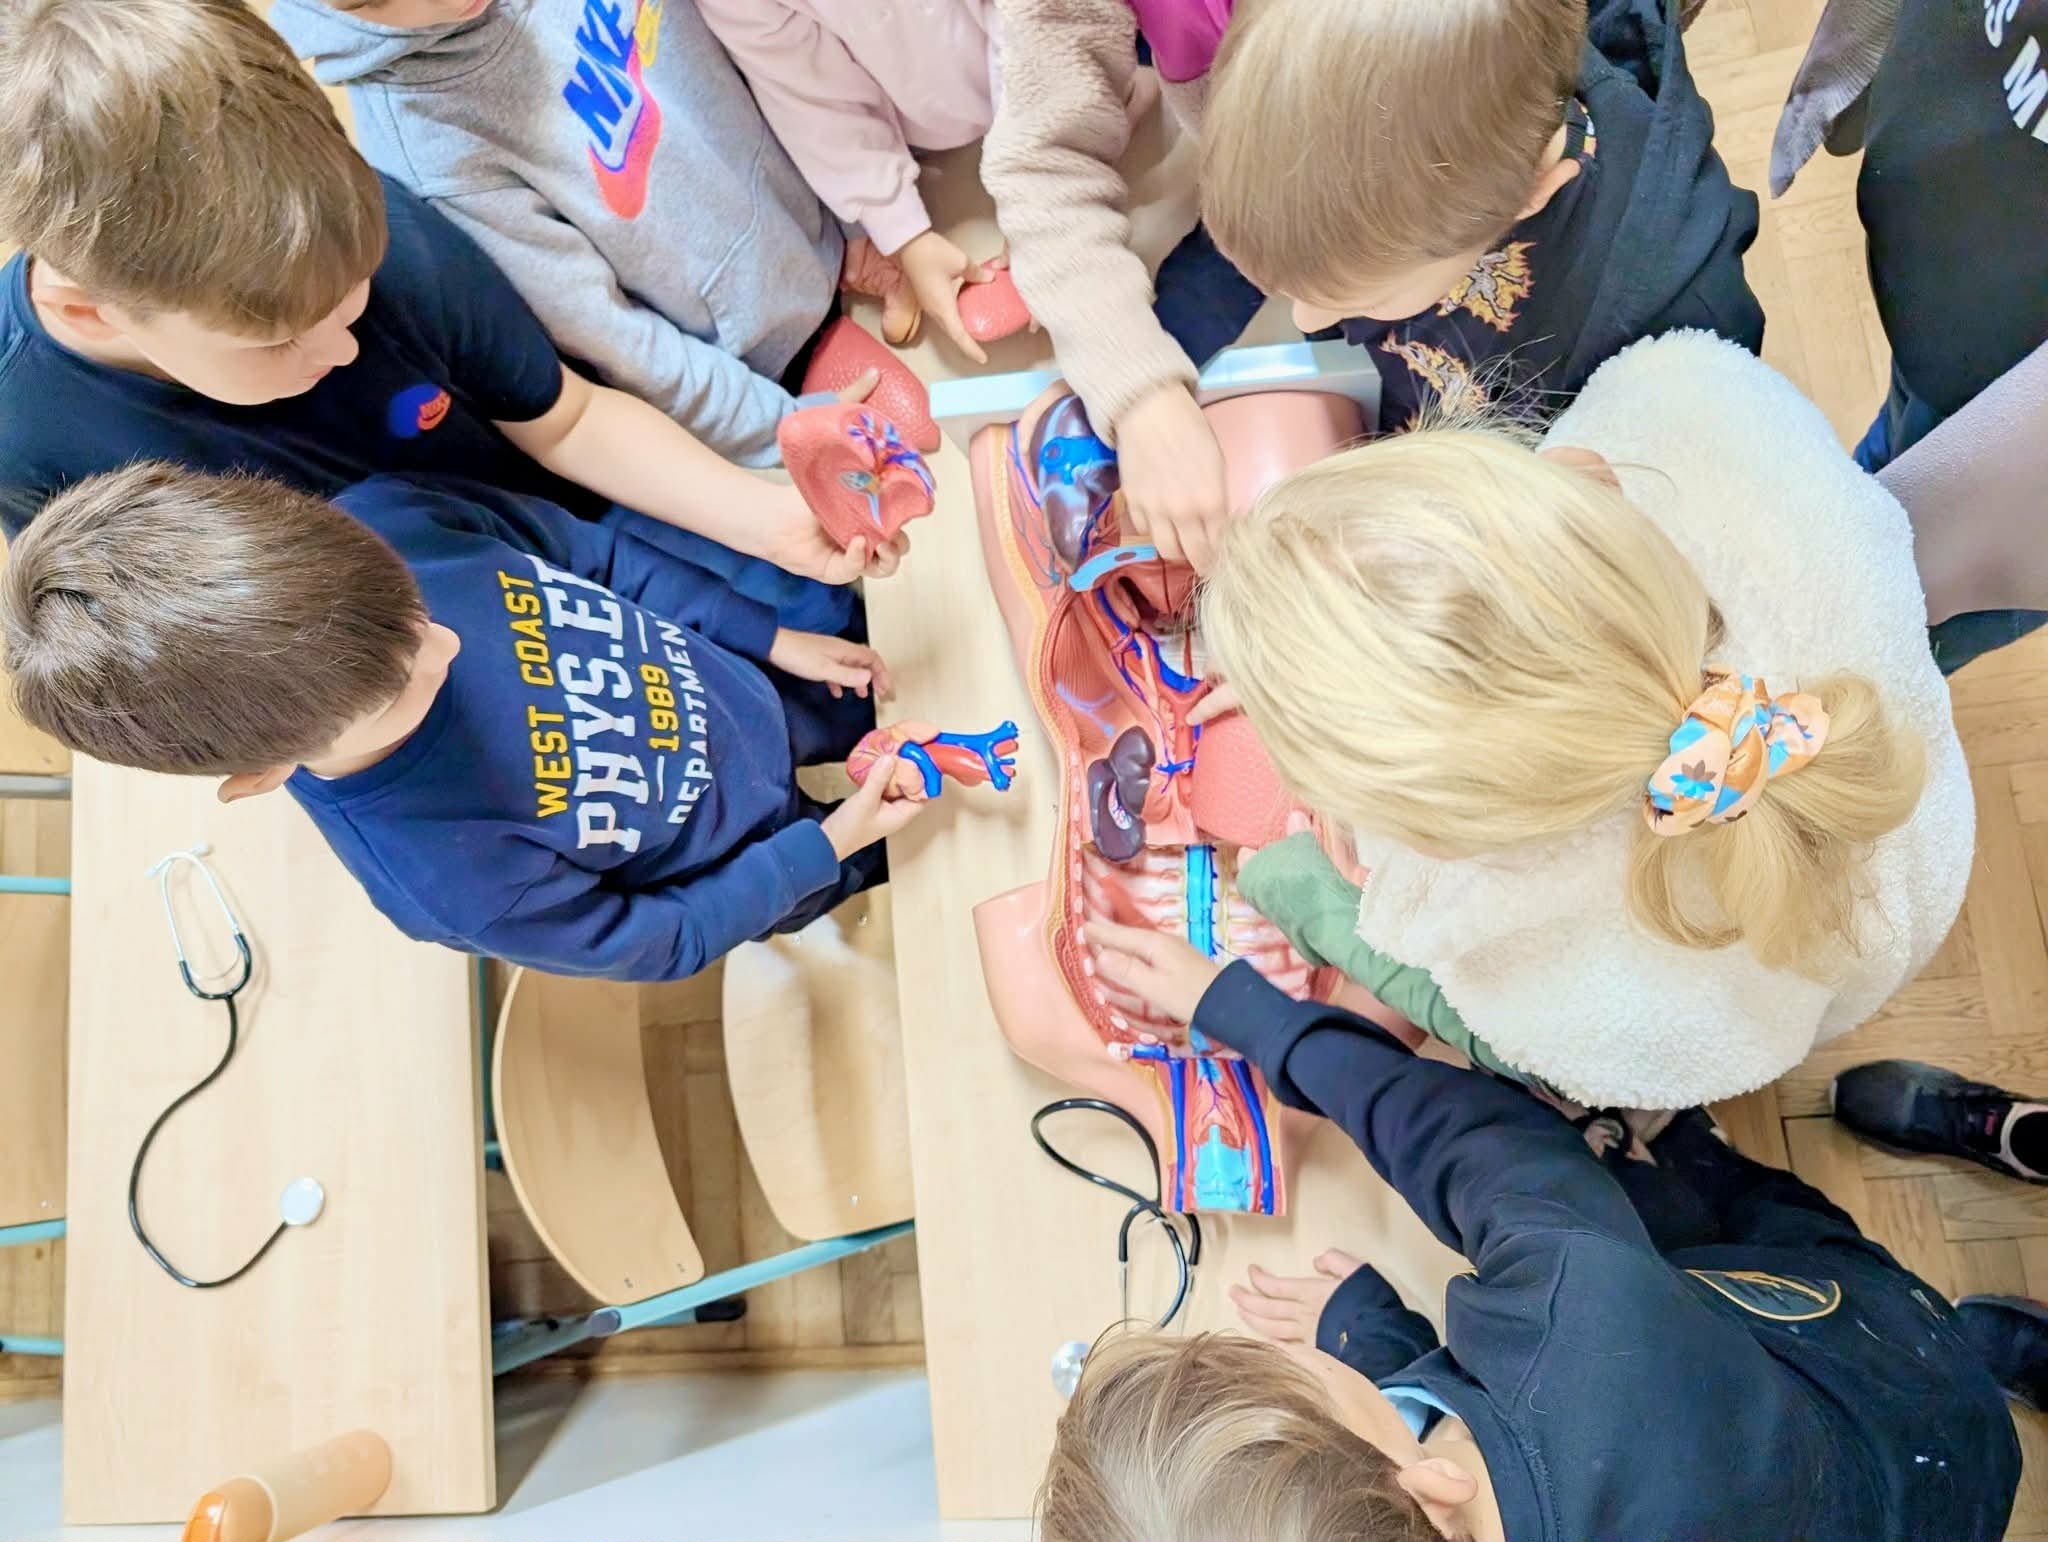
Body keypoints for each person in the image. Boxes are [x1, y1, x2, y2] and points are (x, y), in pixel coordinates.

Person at [1035, 920, 2022, 1542]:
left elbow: (1457, 1465)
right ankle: (1695, 1157)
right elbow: (1468, 1140)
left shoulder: (1464, 1461)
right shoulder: (1573, 1306)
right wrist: (1255, 1019)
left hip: (1916, 1498)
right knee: (1744, 1216)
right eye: (1304, 1376)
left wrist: (1379, 1346)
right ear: (1428, 1486)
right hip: (1892, 1383)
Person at [1198, 332, 1970, 1110]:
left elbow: (1498, 1034)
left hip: (1819, 970)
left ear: (1441, 841)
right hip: (1910, 827)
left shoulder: (1579, 992)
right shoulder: (1697, 404)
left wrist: (1328, 898)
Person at [0, 0, 895, 635]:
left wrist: (762, 515)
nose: (343, 348)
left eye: (352, 297)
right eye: (279, 339)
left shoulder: (384, 226)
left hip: (579, 511)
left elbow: (567, 417)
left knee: (829, 614)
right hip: (436, 628)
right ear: (92, 311)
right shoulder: (35, 446)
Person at [0, 463, 924, 982]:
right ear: (267, 775)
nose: (444, 644)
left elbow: (587, 552)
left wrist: (768, 636)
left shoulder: (387, 520)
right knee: (937, 865)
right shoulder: (444, 881)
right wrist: (831, 846)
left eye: (411, 609)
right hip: (769, 859)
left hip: (761, 684)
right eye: (392, 694)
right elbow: (664, 937)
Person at [981, 0, 1761, 571]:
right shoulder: (1418, 207)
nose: (1306, 319)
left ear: (1527, 196)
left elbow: (1624, 554)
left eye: (1352, 300)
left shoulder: (1674, 335)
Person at [267, 0, 882, 465]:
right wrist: (781, 427)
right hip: (773, 369)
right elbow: (619, 342)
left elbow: (764, 44)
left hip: (862, 211)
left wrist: (864, 207)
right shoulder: (428, 147)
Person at [1773, 0, 2048, 672]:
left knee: (1903, 634)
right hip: (1942, 299)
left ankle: (1847, 679)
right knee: (1891, 460)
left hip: (2020, 461)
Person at [689, 0, 1002, 361]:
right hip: (932, 127)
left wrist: (1034, 180)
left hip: (1041, 82)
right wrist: (903, 229)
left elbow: (1031, 27)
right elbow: (811, 95)